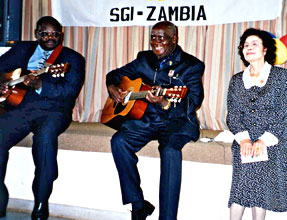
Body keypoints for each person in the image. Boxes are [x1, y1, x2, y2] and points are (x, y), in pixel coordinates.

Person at [105, 21, 204, 220]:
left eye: (162, 37)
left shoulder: (191, 65)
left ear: (174, 39)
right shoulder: (144, 59)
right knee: (119, 141)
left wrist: (165, 103)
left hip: (177, 121)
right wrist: (112, 87)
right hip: (147, 119)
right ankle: (138, 204)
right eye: (153, 37)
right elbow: (114, 75)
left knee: (169, 150)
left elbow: (194, 101)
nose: (155, 42)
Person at [0, 16, 85, 220]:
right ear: (37, 33)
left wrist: (40, 86)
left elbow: (70, 92)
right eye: (45, 33)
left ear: (61, 35)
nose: (50, 37)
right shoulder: (22, 49)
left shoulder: (72, 59)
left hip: (55, 111)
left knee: (45, 142)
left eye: (55, 34)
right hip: (22, 108)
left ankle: (40, 203)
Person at [226, 28, 287, 220]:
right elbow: (233, 115)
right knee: (248, 175)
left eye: (254, 44)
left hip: (273, 140)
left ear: (265, 49)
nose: (248, 48)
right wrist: (243, 140)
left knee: (254, 176)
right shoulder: (236, 80)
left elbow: (282, 113)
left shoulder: (281, 76)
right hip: (244, 141)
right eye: (245, 45)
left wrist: (262, 140)